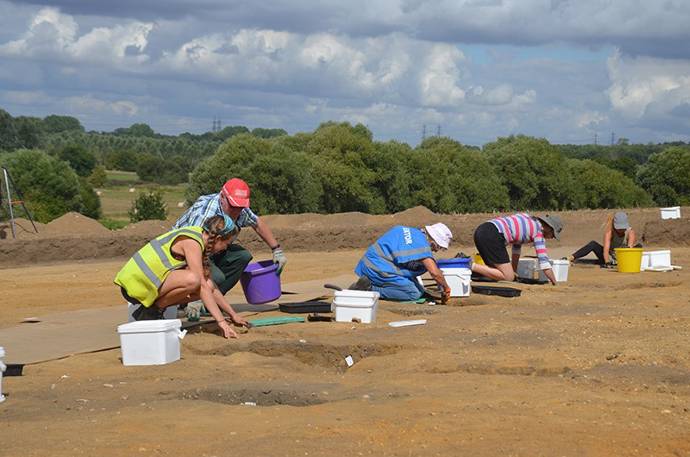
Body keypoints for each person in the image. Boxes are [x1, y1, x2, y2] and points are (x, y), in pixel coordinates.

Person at [115, 215, 249, 339]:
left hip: (146, 284)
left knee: (207, 284)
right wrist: (221, 322)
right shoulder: (192, 242)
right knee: (194, 280)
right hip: (135, 286)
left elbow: (210, 287)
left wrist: (233, 315)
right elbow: (200, 284)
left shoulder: (198, 236)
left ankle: (152, 310)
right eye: (226, 244)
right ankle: (152, 311)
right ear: (218, 239)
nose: (225, 248)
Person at [173, 178, 286, 296]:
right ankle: (193, 297)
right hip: (182, 257)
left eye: (240, 207)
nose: (237, 211)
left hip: (210, 250)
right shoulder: (206, 212)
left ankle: (212, 300)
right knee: (217, 277)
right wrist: (199, 286)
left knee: (242, 256)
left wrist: (276, 250)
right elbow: (192, 248)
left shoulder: (239, 208)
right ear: (222, 197)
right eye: (233, 206)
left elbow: (257, 223)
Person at [352, 223, 454, 302]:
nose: (436, 251)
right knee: (413, 293)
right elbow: (435, 273)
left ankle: (369, 283)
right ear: (433, 242)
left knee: (420, 290)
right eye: (438, 247)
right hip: (377, 268)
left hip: (370, 263)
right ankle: (369, 289)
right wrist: (446, 287)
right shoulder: (422, 244)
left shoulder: (414, 233)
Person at [471, 213, 563, 285]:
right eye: (553, 235)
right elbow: (544, 263)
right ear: (549, 229)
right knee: (508, 277)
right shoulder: (539, 233)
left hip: (482, 230)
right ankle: (469, 264)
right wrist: (554, 281)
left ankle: (468, 268)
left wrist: (514, 270)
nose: (551, 238)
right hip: (493, 235)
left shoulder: (527, 218)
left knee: (494, 271)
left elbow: (516, 249)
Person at [570, 211, 640, 267]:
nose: (621, 230)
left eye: (622, 228)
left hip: (623, 256)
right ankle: (571, 257)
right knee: (593, 244)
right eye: (619, 228)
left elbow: (629, 248)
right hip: (610, 255)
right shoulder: (609, 232)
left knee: (639, 246)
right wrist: (607, 262)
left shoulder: (630, 232)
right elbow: (606, 250)